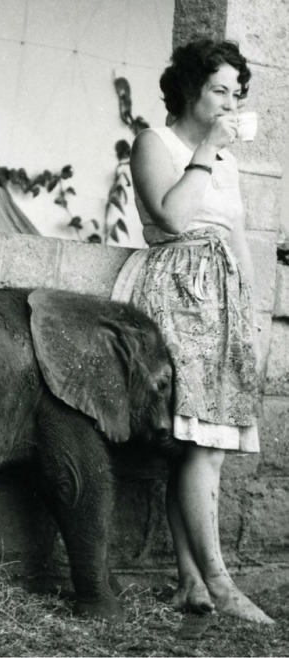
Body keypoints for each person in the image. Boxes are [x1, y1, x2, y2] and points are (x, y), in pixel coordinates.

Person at [111, 38, 273, 624]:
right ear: (188, 90)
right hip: (176, 291)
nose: (231, 102)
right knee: (201, 443)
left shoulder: (227, 159)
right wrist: (207, 147)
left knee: (203, 445)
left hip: (223, 301)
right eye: (219, 90)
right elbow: (173, 218)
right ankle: (222, 583)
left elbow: (236, 238)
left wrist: (252, 322)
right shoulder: (157, 142)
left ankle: (190, 584)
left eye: (237, 92)